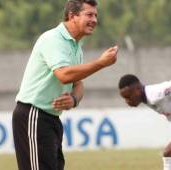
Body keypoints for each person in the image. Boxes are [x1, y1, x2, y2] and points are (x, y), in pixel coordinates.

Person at [12, 0, 119, 170]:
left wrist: (74, 99)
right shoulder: (53, 38)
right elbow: (64, 75)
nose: (94, 20)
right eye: (89, 14)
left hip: (51, 118)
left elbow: (78, 84)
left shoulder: (76, 46)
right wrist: (101, 63)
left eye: (96, 15)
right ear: (72, 16)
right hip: (33, 114)